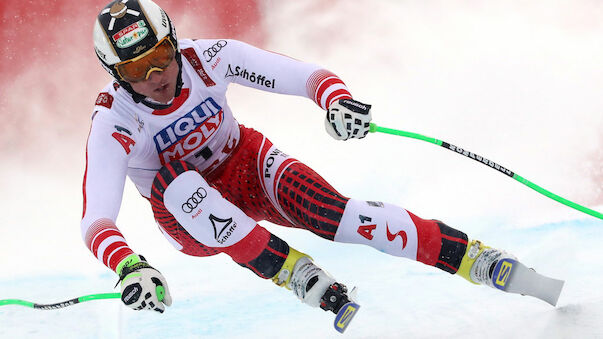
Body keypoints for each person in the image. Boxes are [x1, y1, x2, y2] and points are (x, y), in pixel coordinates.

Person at [84, 0, 521, 315]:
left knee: (338, 215)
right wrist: (129, 265)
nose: (155, 76)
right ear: (115, 76)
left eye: (160, 56)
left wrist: (337, 101)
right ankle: (291, 271)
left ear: (174, 43)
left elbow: (306, 76)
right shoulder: (113, 119)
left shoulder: (209, 58)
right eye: (135, 71)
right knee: (177, 181)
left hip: (244, 164)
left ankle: (470, 257)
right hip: (186, 219)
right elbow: (96, 220)